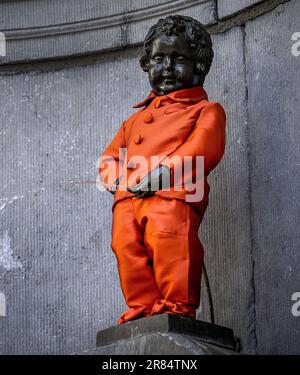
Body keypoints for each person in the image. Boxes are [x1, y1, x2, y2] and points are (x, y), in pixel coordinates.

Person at [98, 15, 226, 325]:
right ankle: (142, 306)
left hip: (173, 194)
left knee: (171, 243)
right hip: (128, 197)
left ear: (198, 65)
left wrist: (163, 174)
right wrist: (115, 179)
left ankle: (177, 306)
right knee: (126, 246)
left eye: (178, 58)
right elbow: (110, 157)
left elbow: (202, 149)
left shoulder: (206, 111)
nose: (167, 67)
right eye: (159, 59)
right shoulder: (135, 120)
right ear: (147, 63)